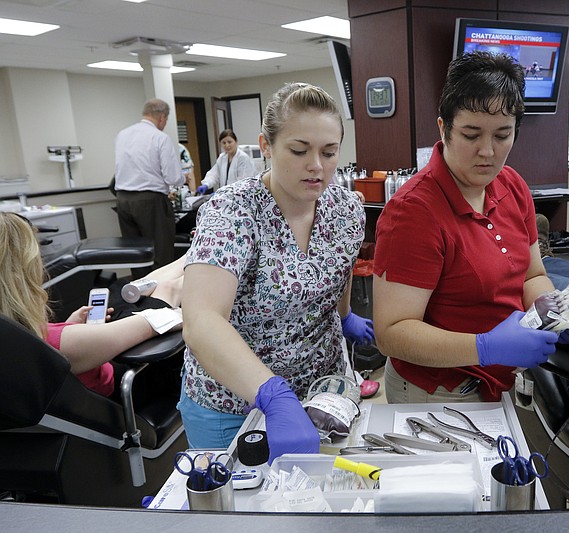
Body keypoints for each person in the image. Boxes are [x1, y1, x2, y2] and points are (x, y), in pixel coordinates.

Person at [179, 82, 370, 458]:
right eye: (299, 150)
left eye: (329, 153)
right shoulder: (233, 211)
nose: (316, 165)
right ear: (266, 146)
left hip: (322, 393)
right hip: (233, 402)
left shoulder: (347, 208)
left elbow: (341, 266)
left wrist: (345, 315)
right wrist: (271, 392)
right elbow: (201, 320)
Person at [373, 52, 569, 404]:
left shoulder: (512, 186)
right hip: (441, 389)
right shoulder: (414, 212)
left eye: (502, 135)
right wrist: (484, 347)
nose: (487, 151)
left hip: (505, 376)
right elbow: (392, 333)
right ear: (444, 128)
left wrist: (549, 308)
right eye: (471, 134)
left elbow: (532, 275)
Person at [0, 212, 183, 399]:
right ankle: (199, 255)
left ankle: (194, 254)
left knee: (138, 288)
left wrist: (70, 326)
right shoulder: (60, 343)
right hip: (128, 380)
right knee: (169, 289)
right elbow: (156, 321)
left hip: (93, 358)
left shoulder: (14, 333)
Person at [114, 98, 185, 277]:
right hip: (150, 201)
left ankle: (138, 296)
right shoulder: (159, 137)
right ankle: (161, 297)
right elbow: (173, 177)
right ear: (162, 118)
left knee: (136, 253)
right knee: (161, 252)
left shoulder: (123, 134)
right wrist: (183, 178)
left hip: (123, 200)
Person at [195, 129, 256, 195]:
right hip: (226, 196)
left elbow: (242, 183)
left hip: (239, 196)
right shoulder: (222, 158)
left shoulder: (243, 158)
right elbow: (214, 174)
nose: (227, 145)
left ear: (236, 142)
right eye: (224, 143)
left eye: (229, 142)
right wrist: (206, 184)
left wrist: (222, 193)